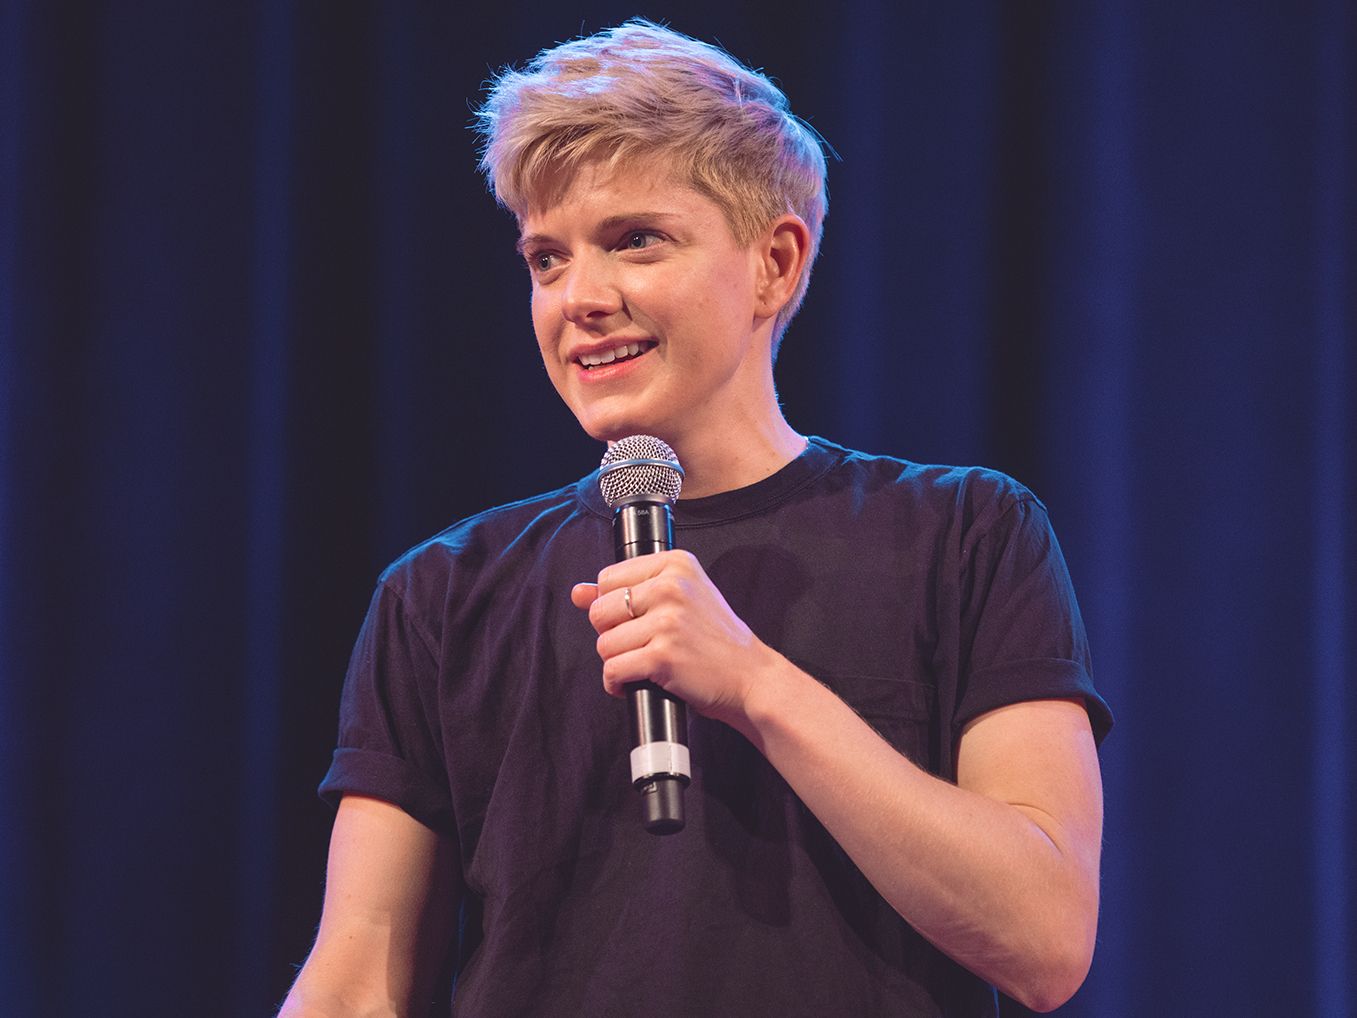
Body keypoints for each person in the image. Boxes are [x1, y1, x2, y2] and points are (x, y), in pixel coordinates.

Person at [281, 19, 1112, 1018]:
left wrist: (755, 683)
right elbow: (355, 981)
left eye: (635, 241)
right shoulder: (440, 593)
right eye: (547, 258)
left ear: (775, 263)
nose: (581, 297)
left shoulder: (965, 533)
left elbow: (1043, 938)